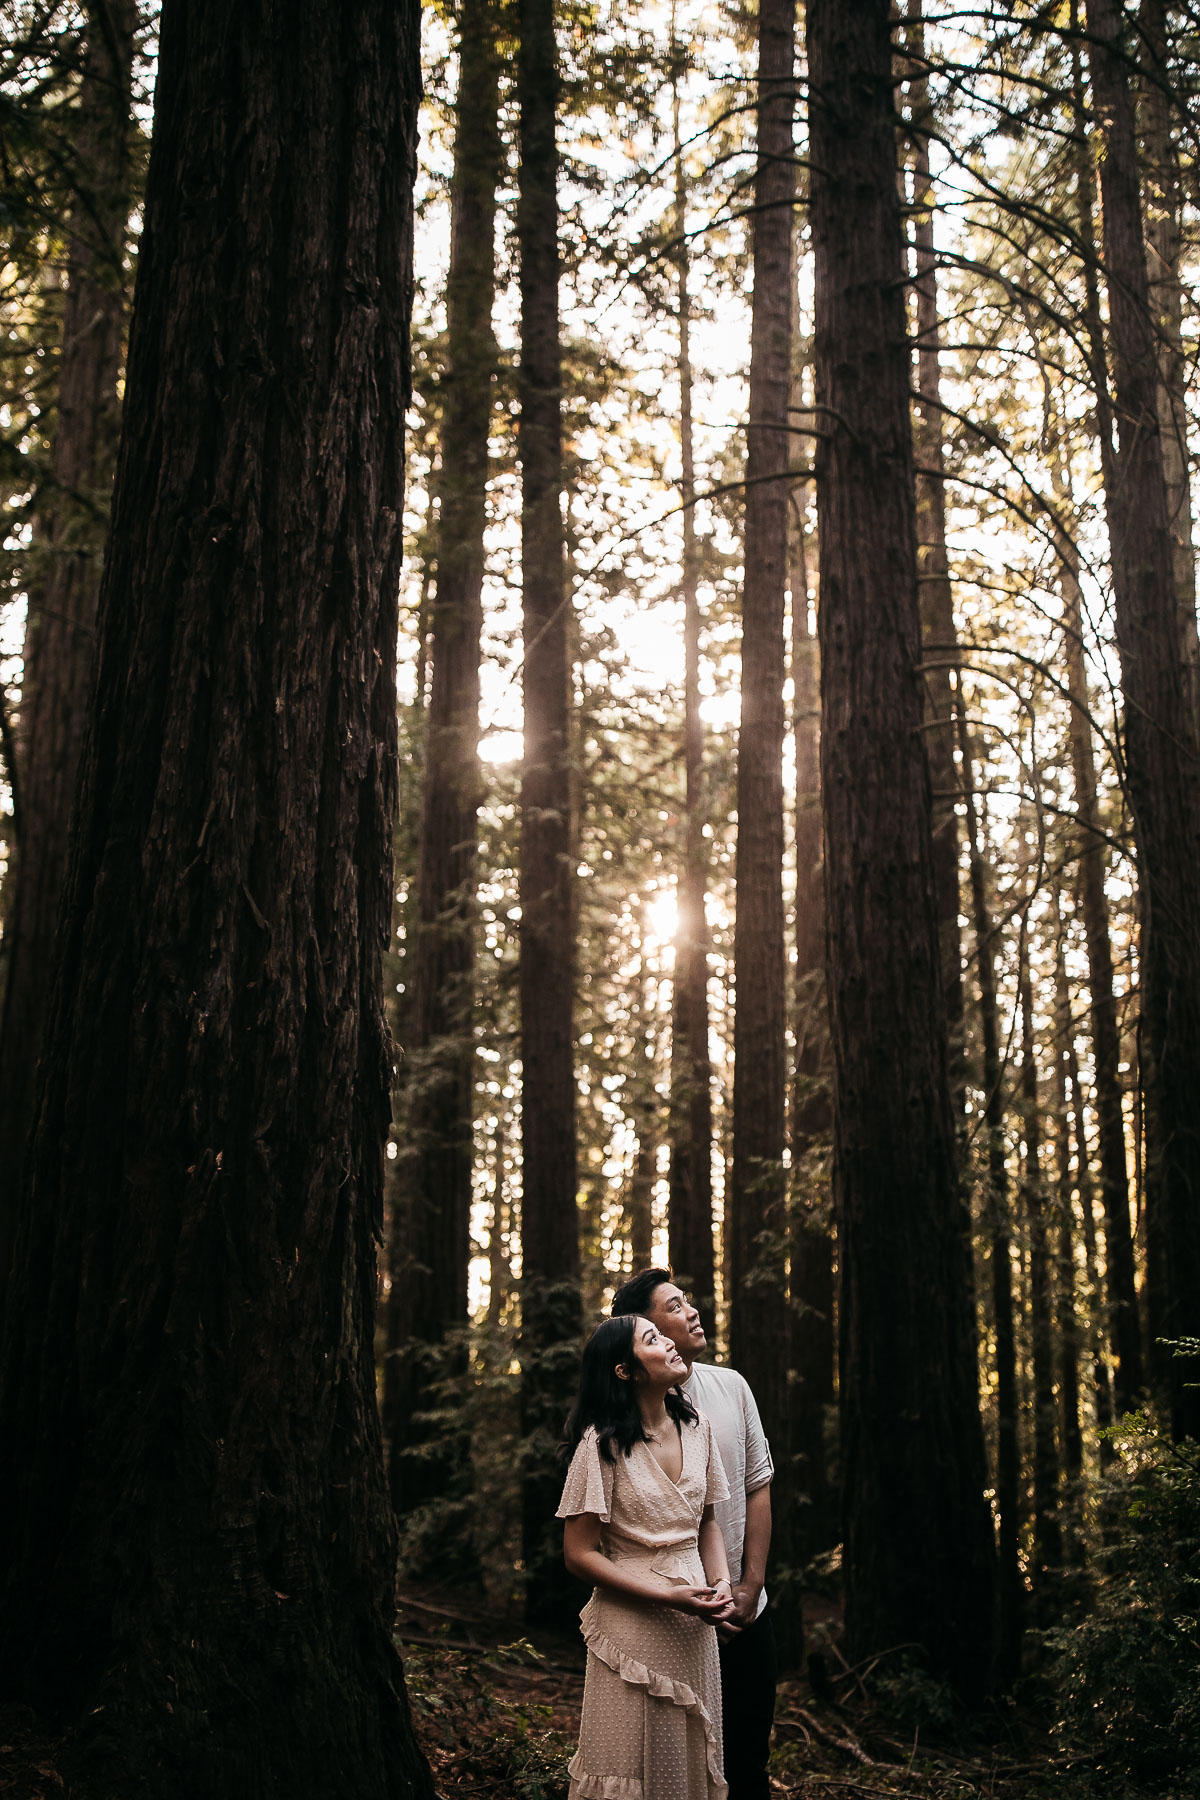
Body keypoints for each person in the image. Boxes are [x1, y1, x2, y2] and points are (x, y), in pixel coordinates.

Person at [612, 1270, 776, 1800]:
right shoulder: (620, 1423)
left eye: (689, 1301)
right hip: (668, 1620)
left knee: (747, 1760)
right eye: (675, 1306)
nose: (692, 1311)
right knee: (675, 1766)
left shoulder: (732, 1387)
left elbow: (757, 1487)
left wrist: (749, 1587)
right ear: (642, 1330)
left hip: (745, 1610)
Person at [557, 1314, 735, 1800]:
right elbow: (578, 1554)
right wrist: (666, 1597)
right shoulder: (602, 1445)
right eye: (652, 1339)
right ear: (625, 1371)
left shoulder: (696, 1429)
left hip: (694, 1626)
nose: (671, 1343)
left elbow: (707, 1523)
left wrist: (720, 1585)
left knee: (687, 1763)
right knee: (629, 1764)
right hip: (632, 1627)